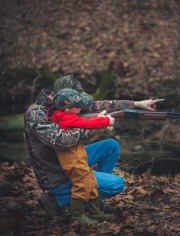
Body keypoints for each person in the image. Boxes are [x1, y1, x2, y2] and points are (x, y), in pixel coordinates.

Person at [24, 75, 163, 225]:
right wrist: (94, 125)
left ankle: (94, 201)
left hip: (71, 158)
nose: (81, 106)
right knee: (116, 184)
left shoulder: (64, 104)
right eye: (78, 101)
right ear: (66, 101)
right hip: (56, 173)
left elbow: (98, 105)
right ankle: (56, 200)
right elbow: (62, 140)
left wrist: (136, 104)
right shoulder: (36, 114)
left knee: (111, 146)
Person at [47, 87, 115, 224]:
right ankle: (77, 215)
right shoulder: (64, 118)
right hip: (72, 159)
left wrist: (98, 117)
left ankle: (95, 212)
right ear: (68, 109)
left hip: (78, 156)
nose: (81, 108)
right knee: (81, 185)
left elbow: (84, 120)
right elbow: (86, 123)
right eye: (78, 106)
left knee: (91, 182)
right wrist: (105, 121)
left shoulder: (66, 114)